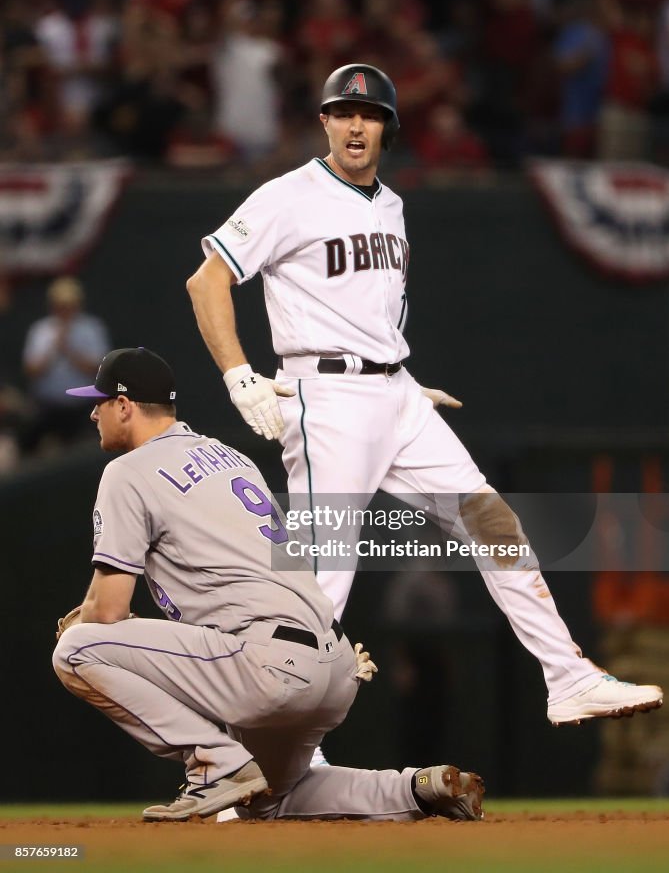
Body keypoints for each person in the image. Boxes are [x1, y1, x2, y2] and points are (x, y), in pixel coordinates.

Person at [186, 62, 663, 727]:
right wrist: (238, 374)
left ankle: (568, 677)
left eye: (370, 115)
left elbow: (379, 311)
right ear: (323, 122)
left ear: (387, 129)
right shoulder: (285, 197)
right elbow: (205, 282)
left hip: (395, 396)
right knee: (320, 586)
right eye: (343, 113)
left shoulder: (391, 206)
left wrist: (397, 375)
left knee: (493, 523)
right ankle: (256, 743)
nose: (356, 125)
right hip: (325, 399)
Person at [52, 346, 484, 823]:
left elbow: (109, 610)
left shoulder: (127, 471)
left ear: (125, 405)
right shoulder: (230, 456)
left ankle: (213, 764)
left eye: (100, 401)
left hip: (267, 664)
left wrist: (85, 623)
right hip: (336, 662)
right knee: (272, 798)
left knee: (75, 650)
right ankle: (419, 788)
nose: (93, 412)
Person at [21, 276, 110, 453]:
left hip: (84, 407)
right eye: (60, 304)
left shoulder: (91, 328)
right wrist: (54, 349)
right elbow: (31, 370)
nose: (65, 309)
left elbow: (100, 368)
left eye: (69, 304)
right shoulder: (41, 331)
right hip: (48, 406)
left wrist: (69, 351)